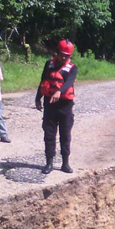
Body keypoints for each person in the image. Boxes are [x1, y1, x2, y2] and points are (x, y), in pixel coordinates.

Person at [35, 39, 78, 174]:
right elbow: (43, 80)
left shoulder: (72, 68)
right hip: (50, 104)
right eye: (62, 54)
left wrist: (59, 91)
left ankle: (65, 163)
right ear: (57, 53)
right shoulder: (49, 64)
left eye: (67, 55)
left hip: (65, 106)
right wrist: (38, 97)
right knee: (49, 134)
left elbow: (69, 82)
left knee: (65, 135)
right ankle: (49, 163)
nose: (64, 57)